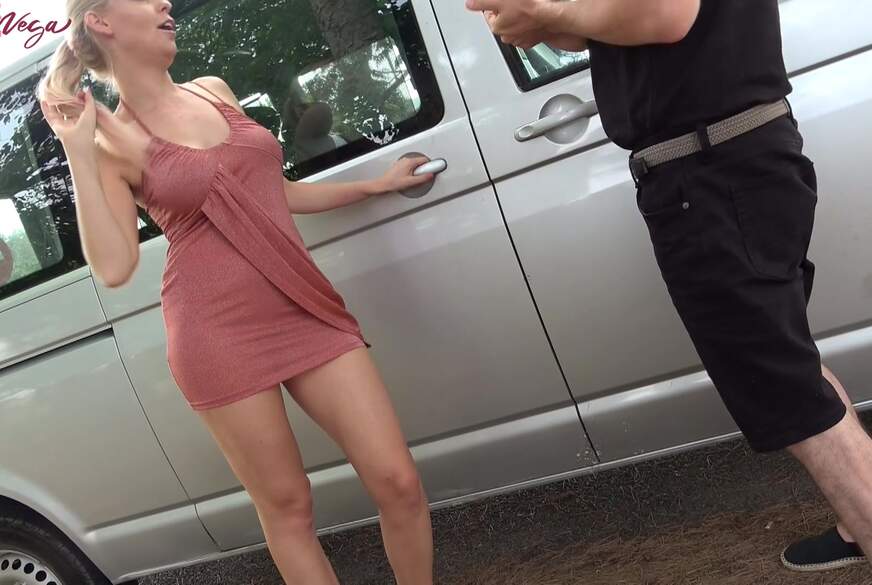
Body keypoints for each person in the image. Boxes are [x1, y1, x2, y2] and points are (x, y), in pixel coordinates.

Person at [466, 0, 872, 573]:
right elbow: (607, 26)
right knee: (787, 365)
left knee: (786, 392)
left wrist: (544, 9)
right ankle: (859, 521)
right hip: (733, 158)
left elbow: (664, 13)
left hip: (709, 170)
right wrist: (539, 21)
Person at [38, 1, 435, 584]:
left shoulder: (213, 91)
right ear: (101, 20)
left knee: (398, 481)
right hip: (216, 334)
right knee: (289, 508)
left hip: (303, 304)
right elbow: (115, 266)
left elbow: (276, 192)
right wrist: (77, 149)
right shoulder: (110, 145)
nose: (164, 2)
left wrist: (375, 185)